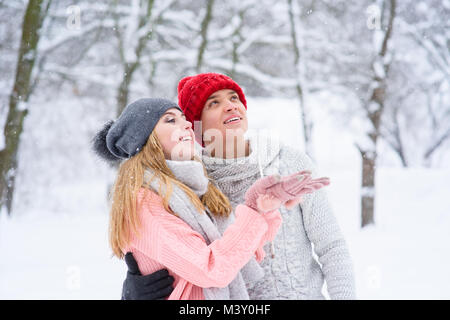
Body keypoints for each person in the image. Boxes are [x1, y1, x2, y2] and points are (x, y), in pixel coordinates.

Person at [122, 73, 356, 300]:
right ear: (195, 126)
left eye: (234, 98)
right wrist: (133, 288)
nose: (231, 106)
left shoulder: (289, 162)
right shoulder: (190, 184)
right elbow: (184, 258)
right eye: (214, 102)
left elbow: (331, 246)